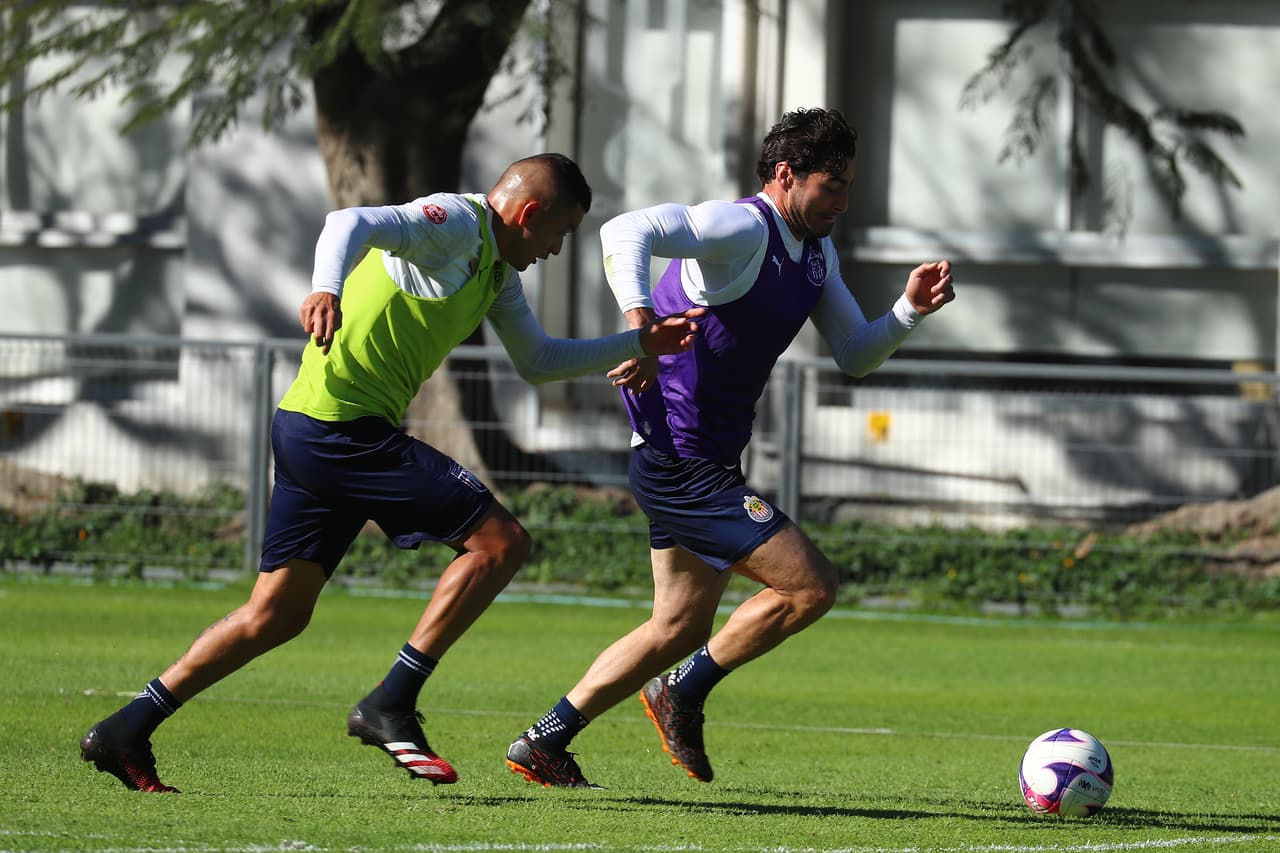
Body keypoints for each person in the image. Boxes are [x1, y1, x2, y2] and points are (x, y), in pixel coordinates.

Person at [79, 153, 704, 793]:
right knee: (501, 543)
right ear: (529, 215)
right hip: (341, 432)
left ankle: (126, 728)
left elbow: (538, 361)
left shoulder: (497, 272)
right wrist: (326, 287)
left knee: (276, 615)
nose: (556, 250)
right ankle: (392, 701)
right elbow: (347, 222)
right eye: (560, 234)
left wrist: (642, 342)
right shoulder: (455, 223)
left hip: (311, 428)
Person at [505, 110, 955, 788]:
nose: (842, 201)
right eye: (832, 185)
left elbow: (855, 354)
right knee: (810, 585)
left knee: (678, 625)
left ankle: (545, 739)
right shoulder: (744, 228)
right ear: (786, 175)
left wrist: (909, 309)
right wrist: (641, 330)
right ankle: (680, 692)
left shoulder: (816, 252)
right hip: (678, 462)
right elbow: (624, 230)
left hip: (705, 459)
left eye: (848, 186)